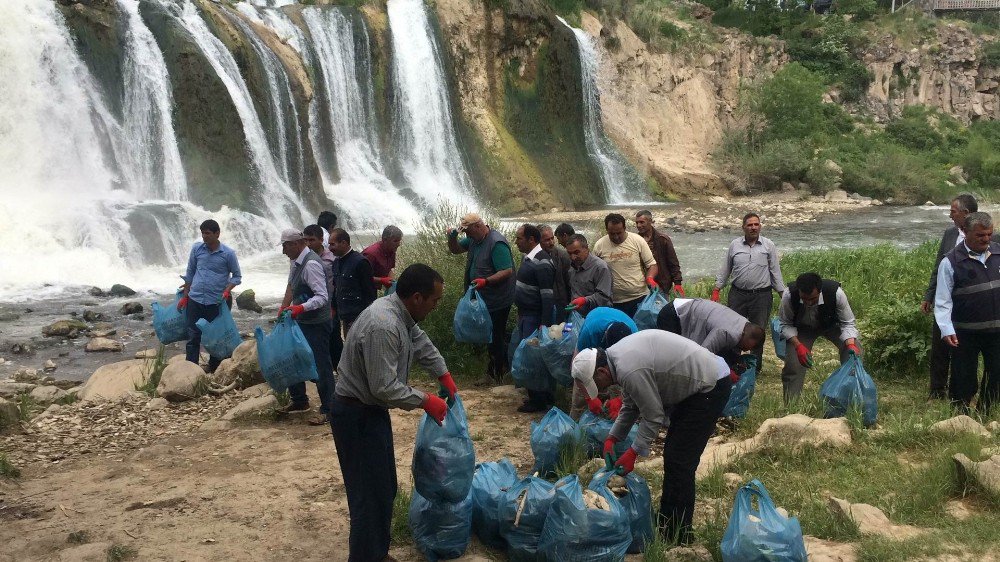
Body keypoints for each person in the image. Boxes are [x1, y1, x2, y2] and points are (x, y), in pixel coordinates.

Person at [331, 263, 458, 562]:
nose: (436, 306)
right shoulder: (383, 325)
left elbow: (420, 342)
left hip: (371, 413)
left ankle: (377, 552)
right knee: (367, 496)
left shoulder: (400, 312)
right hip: (356, 415)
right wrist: (425, 400)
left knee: (384, 488)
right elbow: (384, 387)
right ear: (417, 297)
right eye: (435, 300)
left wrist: (443, 374)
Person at [571, 330, 737, 544]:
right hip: (699, 385)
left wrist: (634, 452)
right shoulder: (618, 358)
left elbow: (653, 414)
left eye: (597, 384)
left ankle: (680, 534)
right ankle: (668, 522)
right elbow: (631, 405)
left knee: (680, 460)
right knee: (674, 455)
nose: (601, 390)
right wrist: (613, 438)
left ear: (602, 371)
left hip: (710, 385)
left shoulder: (629, 369)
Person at [921, 194, 1000, 399]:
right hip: (964, 330)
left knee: (996, 375)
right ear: (966, 233)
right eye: (980, 236)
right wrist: (946, 328)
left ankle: (988, 410)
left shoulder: (998, 252)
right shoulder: (951, 261)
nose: (986, 239)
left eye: (989, 235)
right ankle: (958, 412)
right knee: (963, 376)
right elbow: (943, 299)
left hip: (996, 329)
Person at [447, 213, 515, 382]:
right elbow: (455, 250)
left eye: (468, 231)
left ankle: (495, 373)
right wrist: (452, 238)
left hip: (498, 298)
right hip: (484, 299)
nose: (466, 235)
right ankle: (501, 367)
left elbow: (507, 271)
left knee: (495, 335)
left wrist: (486, 281)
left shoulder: (496, 242)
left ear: (477, 226)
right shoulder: (474, 240)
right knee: (491, 334)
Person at [713, 213, 786, 364]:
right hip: (737, 295)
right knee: (733, 330)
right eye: (750, 225)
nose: (753, 228)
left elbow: (775, 272)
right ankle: (733, 364)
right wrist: (716, 289)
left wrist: (783, 295)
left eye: (756, 224)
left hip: (761, 296)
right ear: (743, 227)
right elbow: (726, 269)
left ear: (760, 226)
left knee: (758, 332)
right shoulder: (735, 245)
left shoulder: (768, 245)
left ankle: (754, 366)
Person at [277, 229, 335, 418]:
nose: (283, 251)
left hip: (316, 323)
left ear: (295, 244)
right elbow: (291, 286)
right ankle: (299, 401)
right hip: (301, 321)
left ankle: (329, 409)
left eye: (285, 246)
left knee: (321, 366)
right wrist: (284, 307)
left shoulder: (310, 264)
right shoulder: (296, 261)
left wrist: (300, 308)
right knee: (292, 358)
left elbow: (322, 297)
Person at [777, 272, 861, 403]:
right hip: (802, 328)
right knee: (793, 365)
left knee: (855, 352)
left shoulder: (837, 293)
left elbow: (848, 323)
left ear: (820, 292)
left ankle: (851, 399)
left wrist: (850, 344)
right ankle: (791, 406)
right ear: (799, 291)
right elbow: (784, 323)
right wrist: (798, 345)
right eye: (804, 299)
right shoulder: (789, 295)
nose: (808, 303)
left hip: (831, 325)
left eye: (813, 299)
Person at [178, 219, 241, 373]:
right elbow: (190, 273)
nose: (204, 236)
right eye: (202, 233)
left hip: (217, 302)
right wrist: (185, 296)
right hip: (195, 299)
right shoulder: (197, 249)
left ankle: (215, 369)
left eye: (207, 233)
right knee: (193, 335)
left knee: (216, 337)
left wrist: (227, 290)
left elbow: (237, 276)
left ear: (217, 233)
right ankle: (191, 369)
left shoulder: (228, 254)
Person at [513, 223, 557, 412]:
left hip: (535, 317)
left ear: (531, 240)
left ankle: (539, 399)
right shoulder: (528, 258)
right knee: (529, 356)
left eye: (519, 239)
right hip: (526, 315)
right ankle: (536, 396)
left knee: (533, 358)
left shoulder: (543, 262)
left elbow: (547, 296)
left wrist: (544, 326)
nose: (516, 242)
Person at [304, 224, 343, 424]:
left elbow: (336, 285)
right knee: (324, 357)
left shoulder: (331, 259)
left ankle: (332, 404)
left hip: (328, 312)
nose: (309, 243)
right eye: (306, 240)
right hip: (313, 313)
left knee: (330, 355)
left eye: (312, 240)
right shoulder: (303, 260)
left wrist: (335, 307)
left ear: (321, 240)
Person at [569, 306, 637, 420]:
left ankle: (605, 417)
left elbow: (634, 378)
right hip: (595, 326)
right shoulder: (590, 332)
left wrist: (621, 399)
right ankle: (575, 428)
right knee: (580, 393)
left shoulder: (634, 338)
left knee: (617, 387)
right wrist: (588, 398)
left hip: (623, 338)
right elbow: (575, 369)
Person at [656, 298, 764, 367]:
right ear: (749, 337)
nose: (747, 350)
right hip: (673, 315)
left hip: (685, 307)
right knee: (672, 360)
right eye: (749, 347)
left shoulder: (743, 324)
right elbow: (702, 355)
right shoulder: (727, 332)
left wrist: (735, 361)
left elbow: (723, 350)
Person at [593, 213, 659, 318]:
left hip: (639, 297)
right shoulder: (599, 245)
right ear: (607, 230)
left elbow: (652, 265)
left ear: (625, 228)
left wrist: (650, 278)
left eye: (619, 233)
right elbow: (595, 272)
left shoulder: (637, 240)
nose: (616, 237)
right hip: (613, 301)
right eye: (612, 233)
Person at [330, 228, 378, 337]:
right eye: (329, 245)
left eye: (333, 244)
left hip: (360, 318)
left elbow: (370, 293)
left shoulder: (361, 262)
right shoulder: (336, 263)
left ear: (344, 243)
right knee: (350, 349)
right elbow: (336, 288)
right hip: (345, 318)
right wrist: (333, 308)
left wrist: (368, 319)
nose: (330, 248)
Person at [635, 210, 683, 296]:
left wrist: (677, 283)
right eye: (637, 223)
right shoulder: (634, 240)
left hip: (661, 284)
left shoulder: (663, 239)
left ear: (650, 221)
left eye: (642, 222)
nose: (639, 225)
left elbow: (673, 262)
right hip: (641, 286)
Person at [565, 233, 613, 315]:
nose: (573, 257)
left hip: (599, 316)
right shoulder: (571, 268)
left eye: (576, 252)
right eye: (570, 253)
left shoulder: (600, 267)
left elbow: (604, 297)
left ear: (586, 248)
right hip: (577, 315)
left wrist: (584, 300)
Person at [539, 224, 571, 322]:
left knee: (560, 333)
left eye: (552, 238)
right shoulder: (531, 257)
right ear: (538, 241)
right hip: (539, 305)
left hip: (560, 304)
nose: (552, 242)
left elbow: (569, 282)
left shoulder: (563, 255)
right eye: (547, 240)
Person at [363, 225, 402, 292]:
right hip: (358, 290)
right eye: (395, 241)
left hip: (372, 289)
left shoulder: (391, 250)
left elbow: (389, 270)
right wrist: (382, 280)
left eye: (399, 240)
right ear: (385, 240)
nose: (398, 244)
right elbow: (361, 276)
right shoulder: (371, 254)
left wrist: (392, 282)